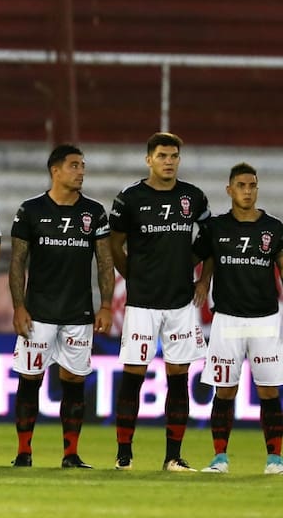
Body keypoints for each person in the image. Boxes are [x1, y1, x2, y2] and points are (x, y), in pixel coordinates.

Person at [8, 144, 115, 469]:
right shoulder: (30, 210)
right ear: (55, 171)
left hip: (78, 313)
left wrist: (106, 305)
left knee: (74, 382)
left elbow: (105, 261)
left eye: (82, 165)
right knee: (30, 379)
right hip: (38, 312)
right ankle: (23, 453)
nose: (81, 171)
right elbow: (17, 261)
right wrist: (19, 306)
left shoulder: (94, 212)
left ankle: (71, 454)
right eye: (74, 165)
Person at [110, 131, 209, 472]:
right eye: (162, 156)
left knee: (179, 376)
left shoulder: (193, 196)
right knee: (133, 374)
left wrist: (198, 275)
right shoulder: (130, 198)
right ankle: (124, 454)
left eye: (174, 156)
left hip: (180, 301)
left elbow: (209, 237)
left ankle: (173, 456)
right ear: (149, 159)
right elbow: (114, 244)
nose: (168, 162)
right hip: (142, 302)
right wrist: (133, 275)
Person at [193, 163, 283, 475]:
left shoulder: (274, 228)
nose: (247, 191)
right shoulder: (216, 227)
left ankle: (275, 459)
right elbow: (206, 255)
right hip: (227, 319)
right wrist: (204, 281)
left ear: (257, 189)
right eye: (241, 186)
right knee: (225, 390)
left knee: (269, 390)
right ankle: (220, 458)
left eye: (252, 185)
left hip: (265, 320)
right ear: (229, 190)